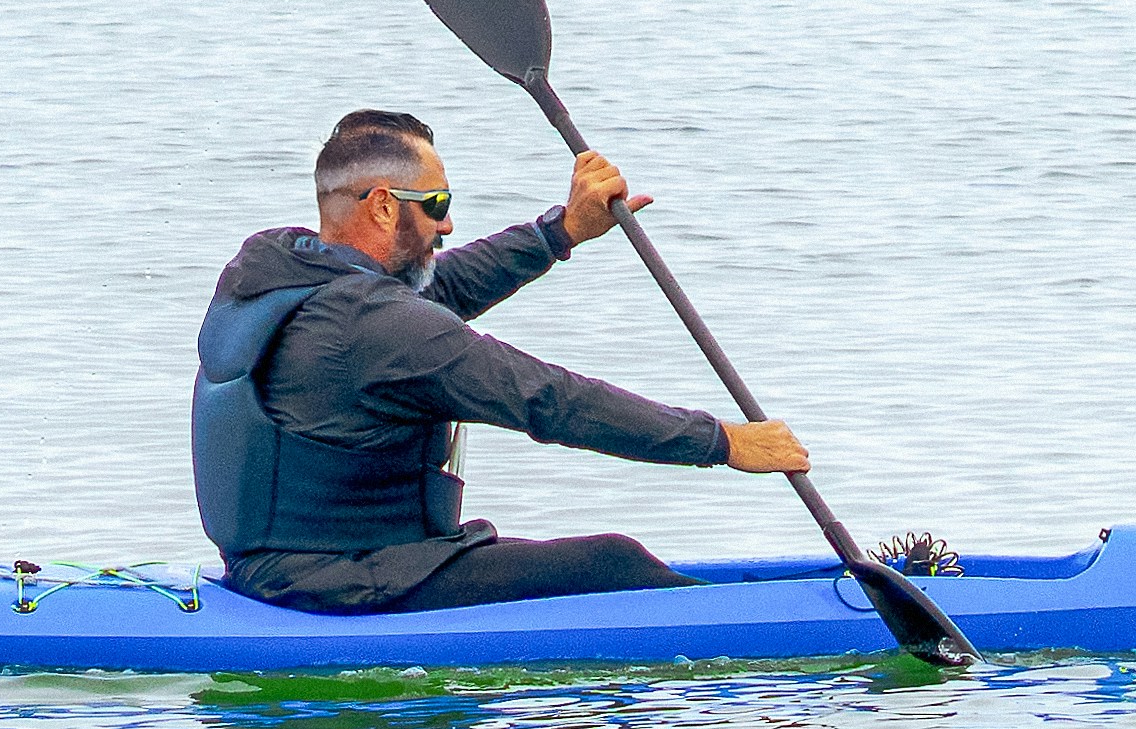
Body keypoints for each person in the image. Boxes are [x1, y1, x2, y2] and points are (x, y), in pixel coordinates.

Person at [194, 109, 812, 613]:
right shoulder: (377, 328)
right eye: (436, 202)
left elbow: (442, 290)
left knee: (612, 561)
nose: (449, 223)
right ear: (383, 205)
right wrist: (722, 442)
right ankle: (787, 628)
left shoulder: (277, 273)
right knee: (612, 562)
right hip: (343, 583)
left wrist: (559, 232)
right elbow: (548, 399)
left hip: (273, 568)